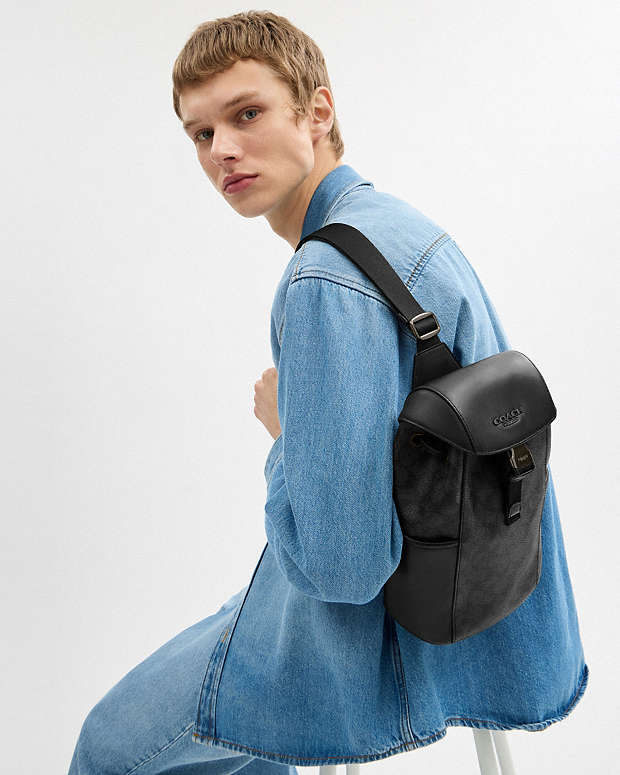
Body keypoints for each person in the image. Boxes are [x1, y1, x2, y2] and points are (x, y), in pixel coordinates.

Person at [67, 10, 589, 774]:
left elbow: (343, 569)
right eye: (201, 133)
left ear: (317, 112)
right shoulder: (401, 226)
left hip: (369, 646)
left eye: (246, 114)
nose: (222, 150)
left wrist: (288, 434)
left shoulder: (324, 279)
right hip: (493, 607)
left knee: (108, 744)